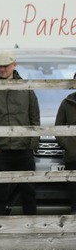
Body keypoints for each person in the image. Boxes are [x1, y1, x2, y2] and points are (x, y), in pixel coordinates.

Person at [0, 50, 40, 215]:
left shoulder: (26, 88)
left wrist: (31, 145)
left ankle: (31, 226)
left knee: (29, 192)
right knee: (0, 193)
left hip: (24, 150)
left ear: (14, 65)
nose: (2, 69)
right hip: (1, 151)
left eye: (6, 66)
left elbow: (35, 120)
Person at [54, 73, 76, 215]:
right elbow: (58, 128)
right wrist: (67, 144)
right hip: (73, 156)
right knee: (74, 192)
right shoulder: (66, 103)